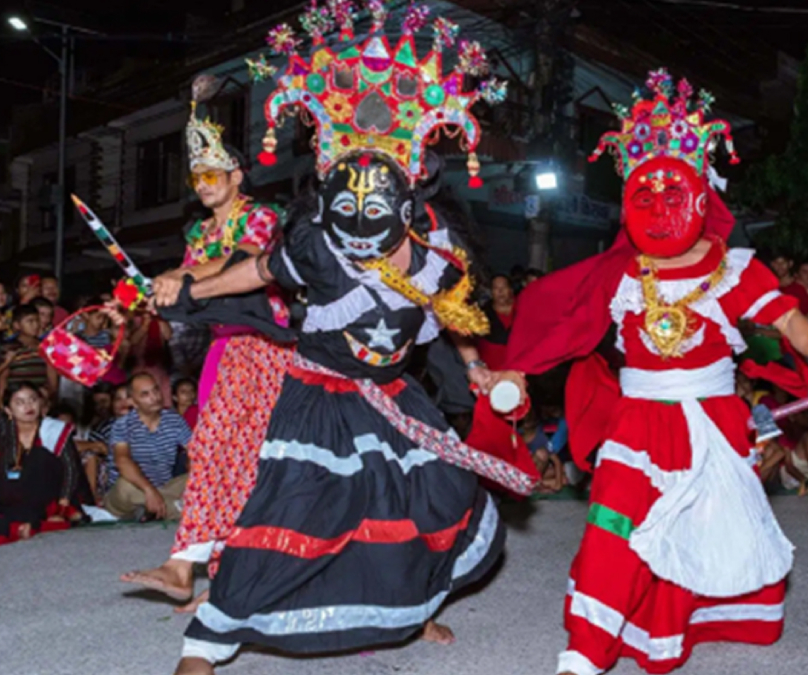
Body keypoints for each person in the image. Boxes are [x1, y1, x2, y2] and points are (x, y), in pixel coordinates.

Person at [155, 7, 532, 672]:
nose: (360, 218)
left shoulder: (438, 255)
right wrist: (189, 286)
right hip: (318, 395)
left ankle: (411, 614)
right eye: (348, 204)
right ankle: (207, 643)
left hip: (394, 394)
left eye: (378, 205)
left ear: (411, 200)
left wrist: (477, 371)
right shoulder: (316, 244)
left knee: (434, 494)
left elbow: (451, 323)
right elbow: (255, 270)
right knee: (293, 509)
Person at [485, 71, 808, 675]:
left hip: (711, 419)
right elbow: (566, 327)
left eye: (672, 197)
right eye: (644, 199)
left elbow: (790, 323)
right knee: (613, 518)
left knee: (696, 529)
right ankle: (587, 649)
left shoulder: (738, 270)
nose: (658, 211)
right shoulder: (618, 273)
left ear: (703, 195)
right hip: (635, 419)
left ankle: (674, 628)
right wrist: (516, 371)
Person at [119, 85, 292, 609]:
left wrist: (177, 274)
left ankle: (190, 567)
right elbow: (190, 292)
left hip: (266, 347)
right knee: (220, 458)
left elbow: (236, 266)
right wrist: (152, 297)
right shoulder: (198, 233)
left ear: (237, 175)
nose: (203, 184)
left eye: (212, 173)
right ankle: (212, 576)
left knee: (234, 456)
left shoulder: (259, 216)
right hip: (224, 352)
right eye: (196, 177)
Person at [0, 383, 83, 542]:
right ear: (8, 410)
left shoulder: (55, 429)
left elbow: (70, 470)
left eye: (33, 400)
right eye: (20, 402)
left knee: (39, 457)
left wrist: (62, 507)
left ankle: (28, 525)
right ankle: (22, 527)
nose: (28, 406)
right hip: (10, 499)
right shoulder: (4, 432)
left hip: (46, 498)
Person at [104, 373, 191, 521]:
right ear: (133, 401)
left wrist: (195, 470)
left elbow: (196, 452)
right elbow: (123, 461)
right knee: (124, 487)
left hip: (164, 488)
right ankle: (181, 510)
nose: (155, 397)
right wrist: (149, 490)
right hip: (133, 490)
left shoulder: (175, 420)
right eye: (145, 394)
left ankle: (150, 511)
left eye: (156, 390)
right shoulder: (123, 425)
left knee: (202, 477)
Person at [0, 305, 58, 401]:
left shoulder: (46, 347)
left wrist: (48, 394)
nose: (35, 325)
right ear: (17, 325)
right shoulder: (8, 348)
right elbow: (3, 380)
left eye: (37, 321)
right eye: (30, 321)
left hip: (41, 399)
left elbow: (52, 380)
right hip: (15, 400)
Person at [476, 274, 516, 370]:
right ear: (491, 291)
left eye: (504, 287)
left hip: (520, 371)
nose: (500, 291)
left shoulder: (523, 310)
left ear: (510, 289)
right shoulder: (480, 315)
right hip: (491, 372)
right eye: (496, 288)